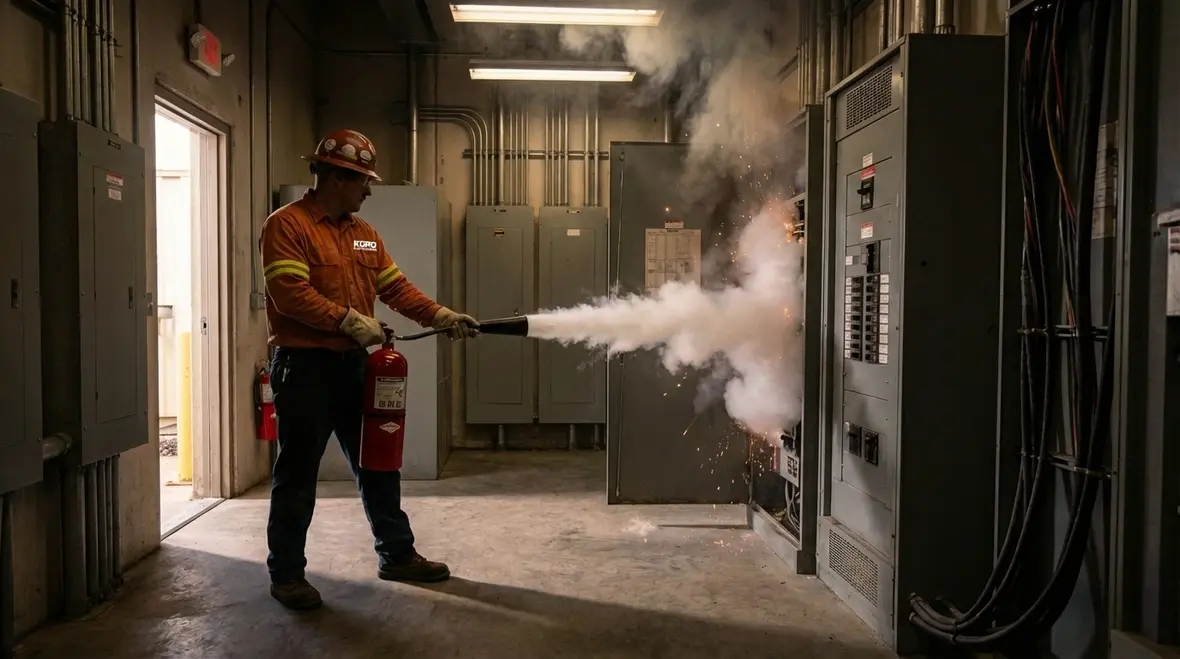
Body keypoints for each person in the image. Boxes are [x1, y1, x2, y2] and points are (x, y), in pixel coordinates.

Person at [258, 129, 478, 611]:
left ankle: (397, 555)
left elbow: (397, 289)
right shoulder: (288, 225)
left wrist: (440, 315)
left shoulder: (363, 235)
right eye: (363, 182)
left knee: (379, 463)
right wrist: (346, 319)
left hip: (355, 367)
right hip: (305, 367)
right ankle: (288, 575)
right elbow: (288, 293)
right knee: (296, 475)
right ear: (337, 177)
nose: (369, 191)